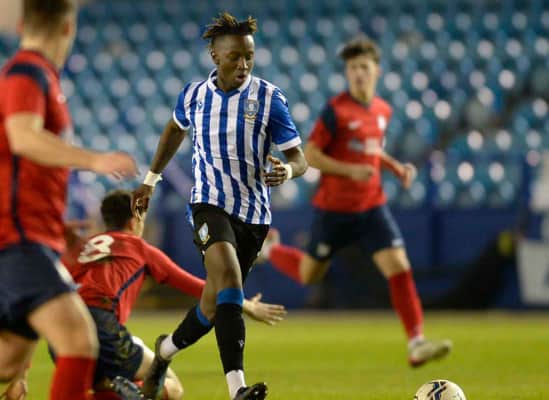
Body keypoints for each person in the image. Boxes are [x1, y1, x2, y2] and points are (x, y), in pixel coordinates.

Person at [132, 12, 307, 400]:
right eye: (235, 57)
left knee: (213, 307)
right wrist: (150, 179)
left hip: (253, 216)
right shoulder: (194, 95)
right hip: (208, 204)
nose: (243, 64)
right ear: (215, 56)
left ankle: (164, 352)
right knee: (229, 279)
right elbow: (174, 129)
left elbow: (300, 159)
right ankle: (237, 390)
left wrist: (287, 172)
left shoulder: (269, 99)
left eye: (249, 56)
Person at [257, 35, 452, 367]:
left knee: (399, 267)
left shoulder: (382, 110)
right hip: (334, 210)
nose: (358, 73)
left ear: (376, 70)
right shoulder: (336, 111)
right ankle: (271, 250)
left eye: (363, 66)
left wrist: (394, 167)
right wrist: (350, 171)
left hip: (372, 207)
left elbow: (371, 150)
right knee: (309, 274)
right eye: (352, 68)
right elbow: (311, 155)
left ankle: (416, 342)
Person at [0, 1, 138, 399]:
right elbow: (22, 137)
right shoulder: (28, 72)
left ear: (22, 24)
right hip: (18, 240)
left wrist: (52, 227)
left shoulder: (34, 75)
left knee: (9, 361)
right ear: (68, 28)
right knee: (78, 339)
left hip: (28, 235)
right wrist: (95, 160)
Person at [52, 190, 286, 400]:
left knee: (100, 385)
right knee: (171, 386)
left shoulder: (82, 247)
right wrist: (246, 305)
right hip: (101, 325)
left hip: (63, 326)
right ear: (134, 221)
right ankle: (135, 396)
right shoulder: (139, 248)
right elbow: (200, 287)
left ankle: (125, 392)